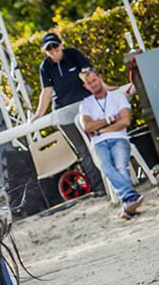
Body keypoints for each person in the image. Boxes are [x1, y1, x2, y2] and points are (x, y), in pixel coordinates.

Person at [30, 33, 106, 195]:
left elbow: (90, 76)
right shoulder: (45, 66)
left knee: (100, 141)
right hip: (64, 113)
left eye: (55, 46)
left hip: (86, 107)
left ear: (61, 45)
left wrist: (105, 89)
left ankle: (112, 179)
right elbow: (47, 91)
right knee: (83, 150)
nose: (53, 51)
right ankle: (100, 188)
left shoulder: (73, 54)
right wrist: (38, 114)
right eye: (49, 49)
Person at [77, 68, 145, 220]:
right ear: (86, 87)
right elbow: (87, 127)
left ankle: (128, 204)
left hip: (118, 138)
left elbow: (125, 121)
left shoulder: (117, 96)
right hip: (99, 143)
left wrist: (101, 130)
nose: (93, 84)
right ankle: (130, 198)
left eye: (94, 80)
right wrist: (109, 120)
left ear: (100, 78)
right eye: (89, 83)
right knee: (105, 166)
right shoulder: (85, 104)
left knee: (120, 166)